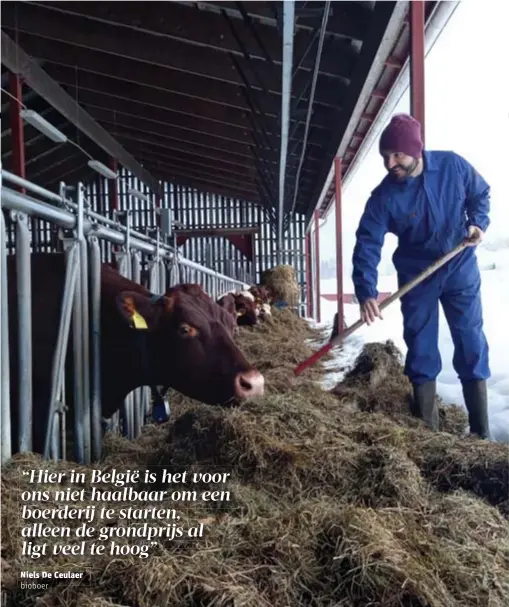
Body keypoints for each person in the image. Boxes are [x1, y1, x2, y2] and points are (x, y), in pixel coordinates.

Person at [351, 113, 491, 439]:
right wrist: (366, 291)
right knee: (421, 347)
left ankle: (482, 433)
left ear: (416, 150)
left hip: (459, 266)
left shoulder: (453, 166)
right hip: (418, 276)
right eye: (385, 156)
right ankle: (429, 435)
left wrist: (477, 223)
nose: (390, 163)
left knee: (471, 341)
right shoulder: (384, 197)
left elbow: (480, 193)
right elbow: (367, 242)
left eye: (397, 155)